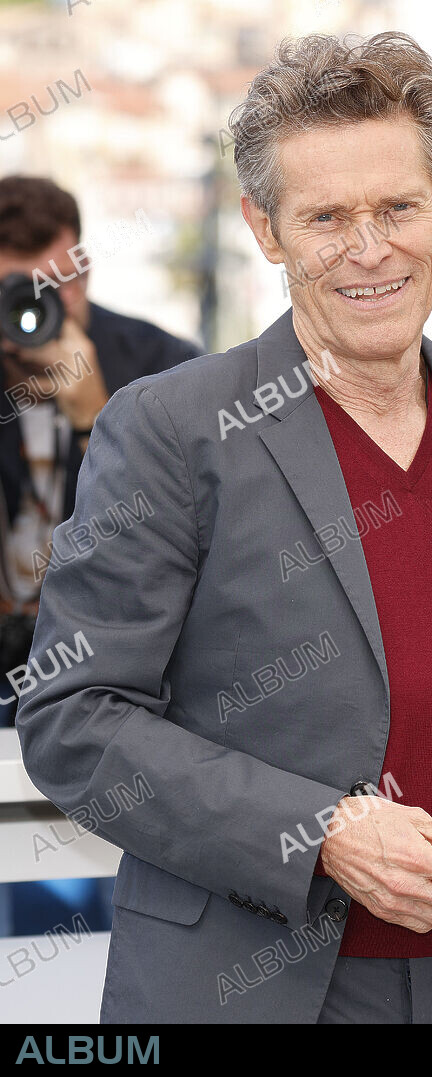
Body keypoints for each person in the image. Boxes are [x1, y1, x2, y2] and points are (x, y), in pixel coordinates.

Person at [15, 33, 432, 1024]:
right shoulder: (167, 429)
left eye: (397, 208)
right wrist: (319, 833)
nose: (367, 249)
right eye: (324, 216)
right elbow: (74, 721)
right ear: (263, 226)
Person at [0, 175, 201, 724]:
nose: (37, 311)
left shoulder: (162, 366)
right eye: (17, 293)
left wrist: (96, 415)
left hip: (119, 666)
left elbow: (186, 538)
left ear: (84, 272)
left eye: (56, 285)